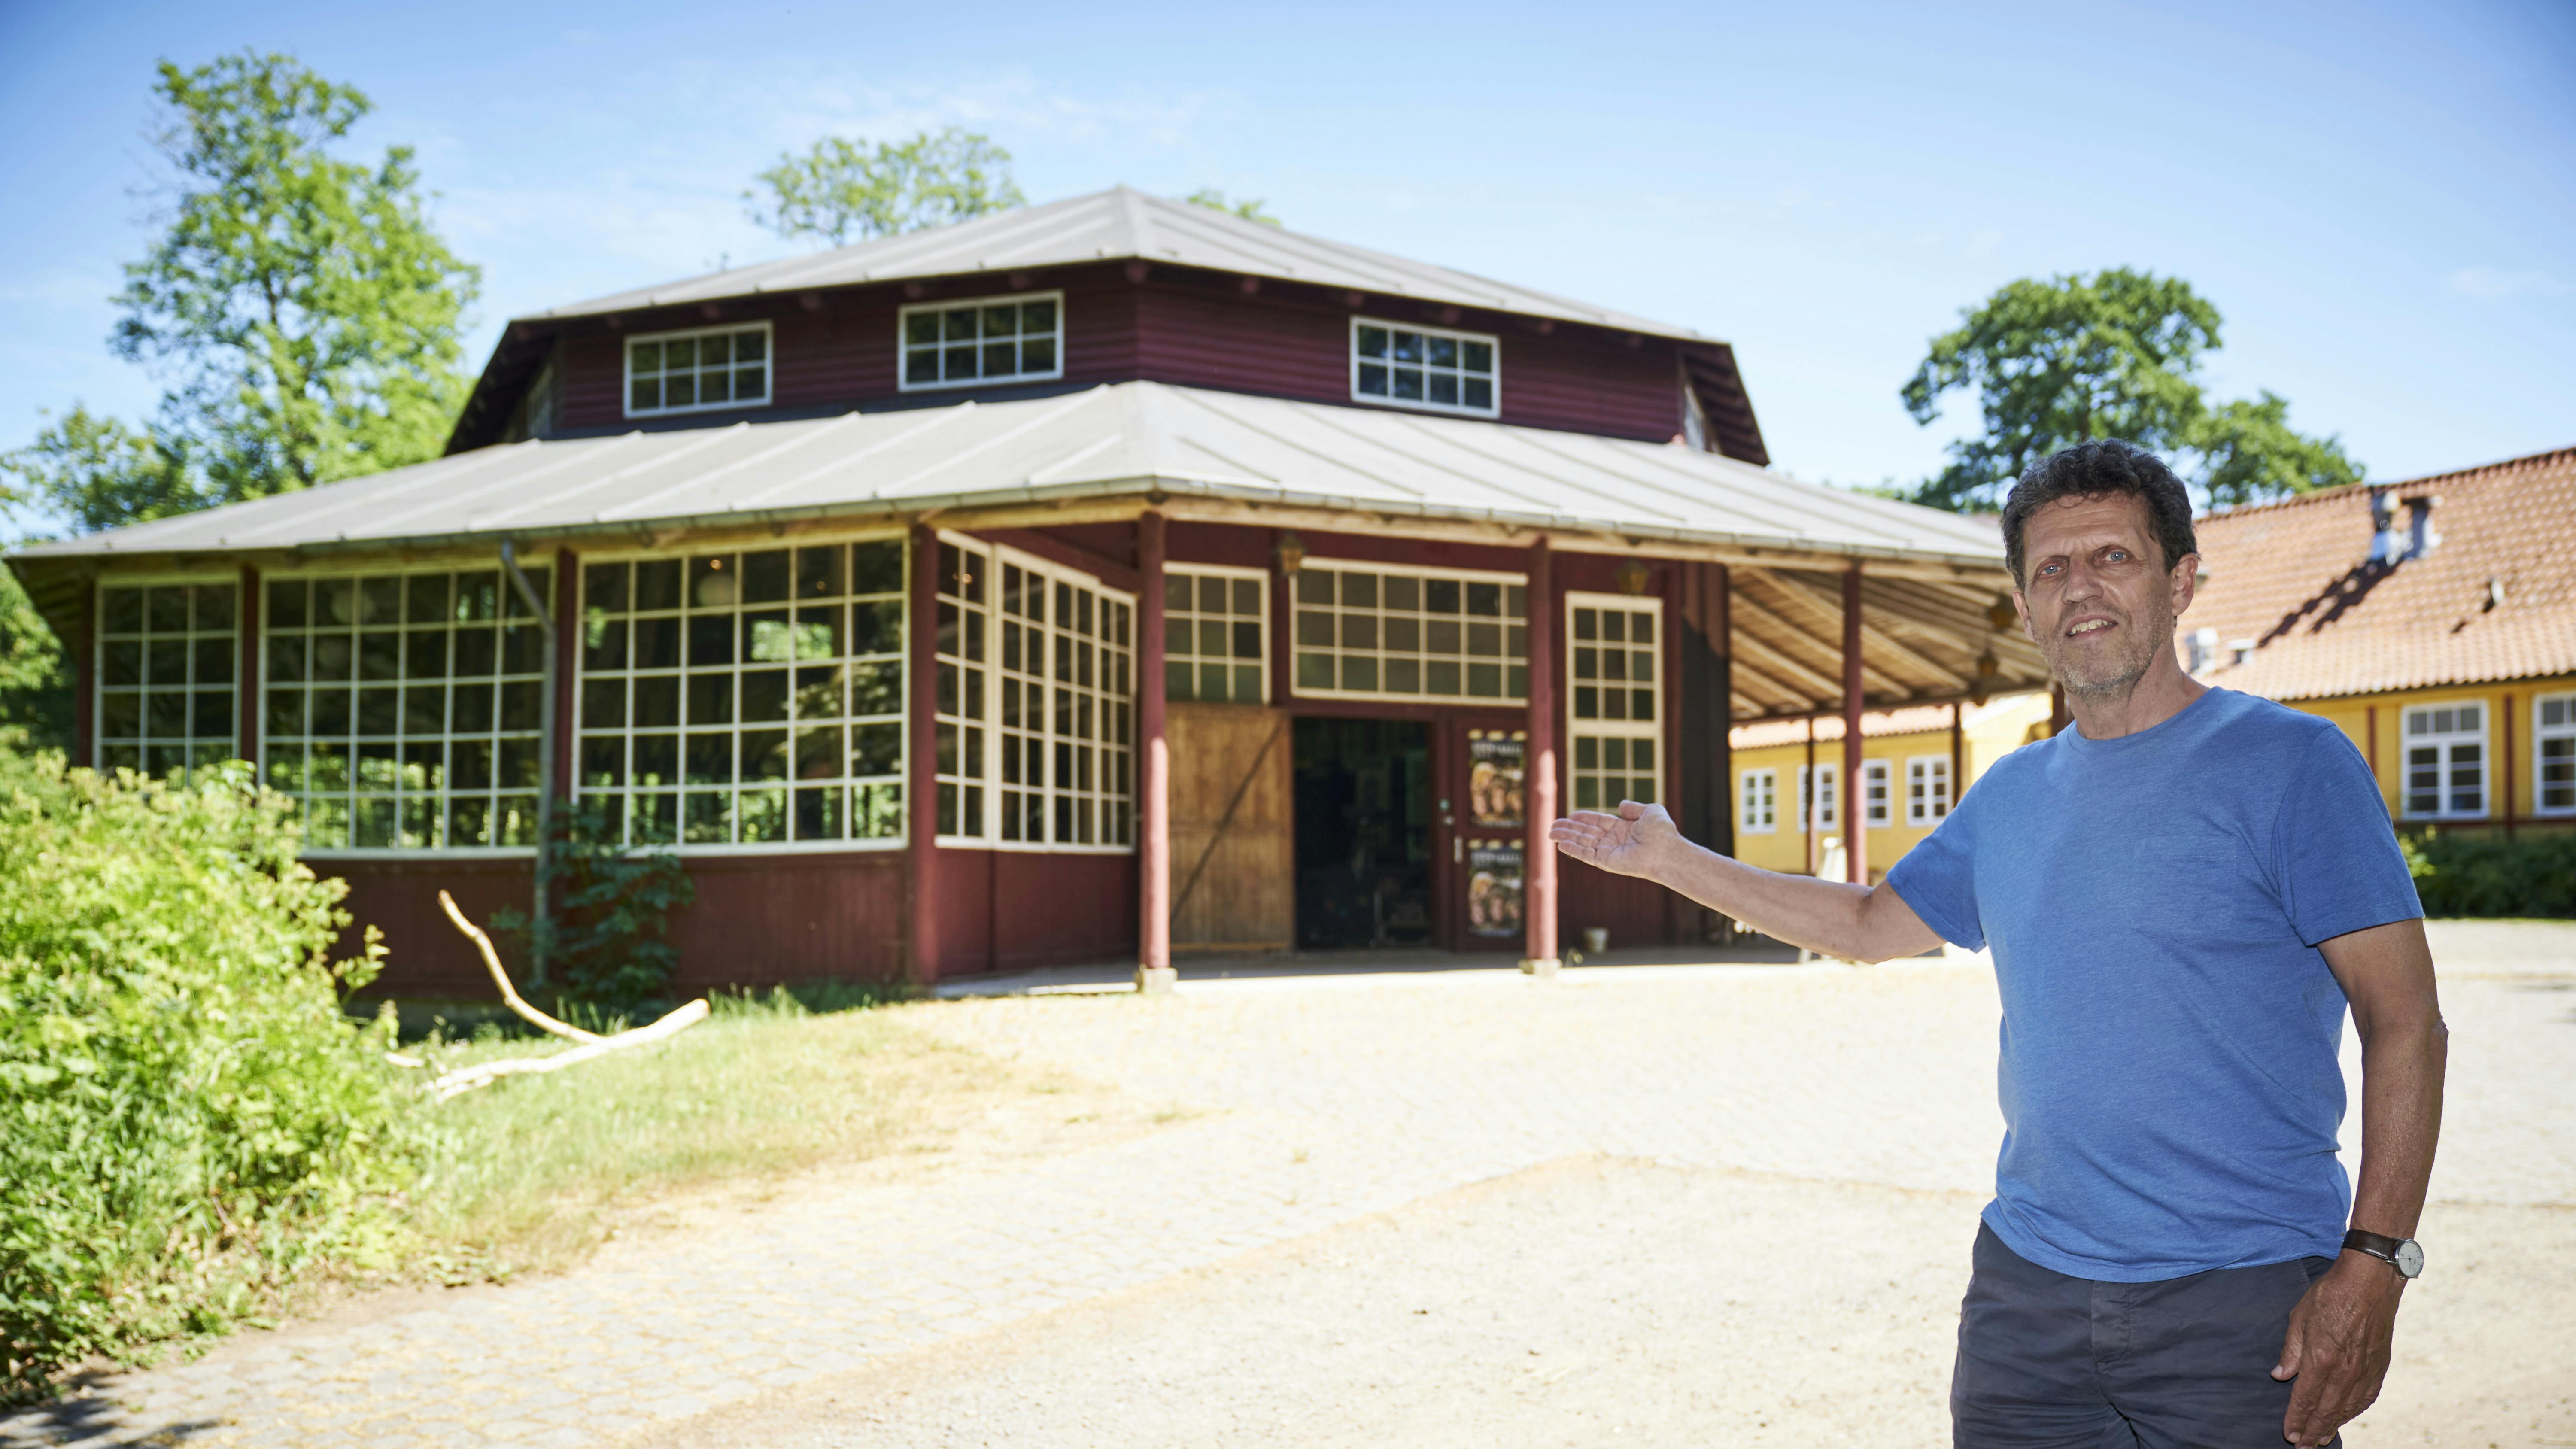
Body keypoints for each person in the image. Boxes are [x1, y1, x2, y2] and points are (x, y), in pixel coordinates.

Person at [1549, 440, 2445, 1448]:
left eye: (2114, 556)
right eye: (2051, 569)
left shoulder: (2292, 764)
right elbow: (1866, 923)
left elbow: (2406, 1019)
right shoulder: (2012, 793)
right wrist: (1671, 860)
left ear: (2181, 579)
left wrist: (2374, 1262)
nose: (2081, 588)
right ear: (2024, 605)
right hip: (2029, 1299)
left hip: (2238, 1300)